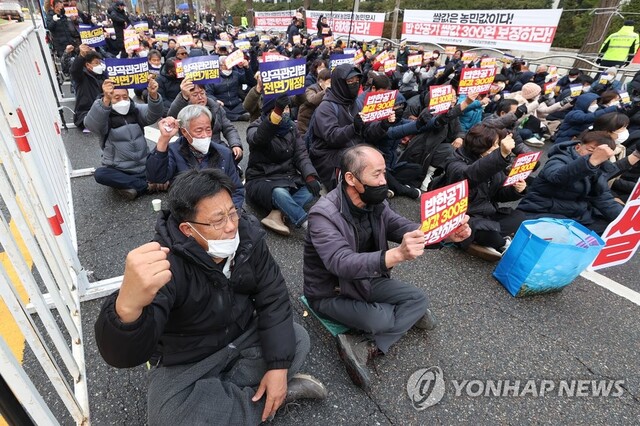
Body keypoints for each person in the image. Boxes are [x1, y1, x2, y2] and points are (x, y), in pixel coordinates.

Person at [94, 168, 327, 425]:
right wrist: (126, 309)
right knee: (166, 418)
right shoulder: (163, 263)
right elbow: (122, 356)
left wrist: (278, 367)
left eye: (232, 212)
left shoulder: (249, 239)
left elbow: (273, 297)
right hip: (189, 356)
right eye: (217, 221)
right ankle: (269, 400)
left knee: (297, 339)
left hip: (240, 336)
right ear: (187, 229)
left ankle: (226, 401)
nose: (230, 227)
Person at [302, 145, 472, 390]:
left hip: (369, 279)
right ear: (351, 178)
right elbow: (341, 263)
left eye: (384, 173)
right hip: (331, 291)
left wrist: (445, 233)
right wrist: (395, 255)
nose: (384, 181)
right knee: (381, 318)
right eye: (377, 174)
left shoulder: (376, 203)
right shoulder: (323, 215)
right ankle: (390, 322)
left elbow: (403, 226)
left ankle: (364, 344)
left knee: (418, 299)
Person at [444, 124, 527, 261]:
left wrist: (515, 189)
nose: (496, 149)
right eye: (494, 145)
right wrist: (500, 155)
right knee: (487, 233)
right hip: (463, 216)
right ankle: (497, 241)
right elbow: (470, 176)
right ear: (480, 145)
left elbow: (498, 194)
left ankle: (490, 240)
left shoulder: (492, 163)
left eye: (497, 145)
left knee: (519, 217)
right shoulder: (456, 162)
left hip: (485, 214)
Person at [517, 131, 624, 235]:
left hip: (575, 215)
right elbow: (557, 177)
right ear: (578, 147)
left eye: (600, 154)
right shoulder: (559, 158)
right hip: (543, 211)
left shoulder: (597, 169)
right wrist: (590, 163)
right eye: (591, 150)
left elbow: (604, 199)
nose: (594, 155)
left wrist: (625, 219)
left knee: (611, 228)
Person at [308, 64, 393, 191]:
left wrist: (384, 124)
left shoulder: (356, 103)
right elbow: (332, 137)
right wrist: (353, 127)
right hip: (329, 155)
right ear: (339, 83)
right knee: (358, 166)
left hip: (354, 149)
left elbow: (368, 131)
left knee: (375, 159)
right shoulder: (326, 107)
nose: (354, 84)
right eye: (350, 81)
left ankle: (381, 189)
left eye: (357, 81)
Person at [246, 95, 321, 235]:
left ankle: (278, 213)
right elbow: (258, 139)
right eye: (281, 108)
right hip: (262, 178)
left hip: (288, 177)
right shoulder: (255, 127)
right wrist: (277, 113)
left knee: (314, 187)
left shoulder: (291, 127)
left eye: (287, 108)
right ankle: (308, 225)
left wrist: (310, 176)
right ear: (270, 111)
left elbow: (301, 154)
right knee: (279, 192)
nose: (285, 112)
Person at [146, 105, 245, 210]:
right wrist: (164, 139)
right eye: (199, 131)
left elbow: (236, 190)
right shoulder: (174, 151)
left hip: (220, 210)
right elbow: (156, 177)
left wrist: (231, 213)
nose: (205, 135)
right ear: (184, 132)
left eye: (208, 129)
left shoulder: (223, 153)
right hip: (188, 211)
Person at [83, 78, 164, 200]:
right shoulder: (104, 115)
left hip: (144, 164)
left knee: (167, 156)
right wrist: (105, 100)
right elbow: (92, 125)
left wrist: (153, 95)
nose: (122, 101)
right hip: (120, 169)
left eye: (125, 97)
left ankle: (132, 186)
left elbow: (154, 114)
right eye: (116, 97)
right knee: (100, 174)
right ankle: (147, 186)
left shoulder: (135, 109)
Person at [168, 78, 243, 164]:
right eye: (195, 95)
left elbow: (228, 128)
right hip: (191, 149)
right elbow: (172, 116)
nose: (200, 97)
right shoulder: (184, 110)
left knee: (232, 155)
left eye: (202, 93)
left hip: (215, 145)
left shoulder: (216, 107)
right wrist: (183, 96)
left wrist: (235, 144)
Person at [206, 56, 255, 121]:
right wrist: (215, 100)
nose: (229, 66)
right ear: (220, 66)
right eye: (226, 64)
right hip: (223, 104)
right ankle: (238, 117)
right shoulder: (212, 78)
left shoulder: (236, 74)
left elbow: (250, 81)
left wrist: (247, 68)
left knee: (249, 105)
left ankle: (231, 116)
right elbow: (208, 93)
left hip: (236, 103)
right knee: (218, 109)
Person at [554, 93, 618, 143]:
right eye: (593, 103)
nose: (595, 105)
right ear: (584, 104)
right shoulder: (574, 114)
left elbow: (598, 112)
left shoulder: (589, 112)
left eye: (596, 103)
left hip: (575, 141)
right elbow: (586, 118)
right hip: (564, 140)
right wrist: (611, 108)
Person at [70, 44, 107, 129]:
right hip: (86, 113)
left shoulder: (104, 76)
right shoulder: (82, 77)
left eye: (100, 63)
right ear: (87, 65)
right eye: (96, 63)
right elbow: (74, 70)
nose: (99, 65)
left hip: (103, 110)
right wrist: (81, 56)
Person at [297, 68, 331, 135]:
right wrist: (326, 90)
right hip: (306, 126)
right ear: (321, 81)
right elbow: (312, 99)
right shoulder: (311, 89)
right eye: (330, 82)